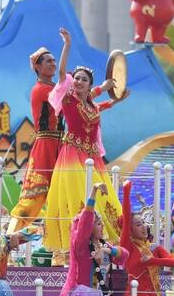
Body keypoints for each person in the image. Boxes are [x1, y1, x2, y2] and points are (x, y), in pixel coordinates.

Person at [43, 27, 128, 253]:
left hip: (92, 157)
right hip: (72, 155)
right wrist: (68, 44)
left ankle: (108, 241)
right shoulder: (69, 100)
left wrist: (116, 98)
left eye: (84, 80)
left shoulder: (90, 104)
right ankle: (74, 244)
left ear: (89, 84)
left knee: (104, 197)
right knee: (77, 196)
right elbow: (62, 73)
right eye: (77, 78)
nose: (79, 81)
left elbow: (98, 104)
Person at [8, 46, 66, 234]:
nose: (53, 64)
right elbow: (66, 98)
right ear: (38, 67)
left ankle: (59, 252)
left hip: (61, 146)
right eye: (48, 61)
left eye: (55, 61)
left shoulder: (54, 89)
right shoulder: (40, 90)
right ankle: (7, 240)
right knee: (32, 199)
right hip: (45, 146)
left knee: (60, 199)